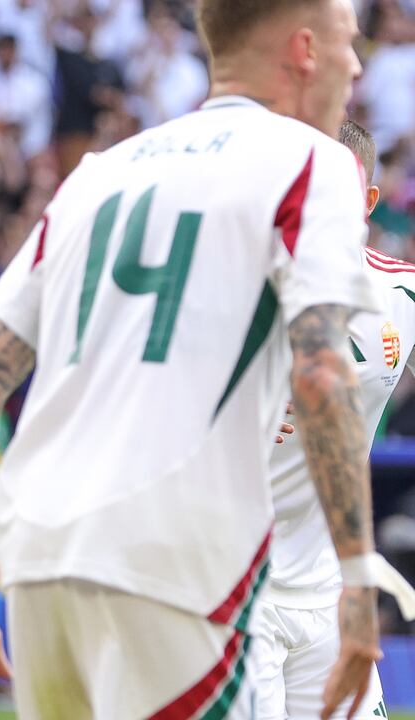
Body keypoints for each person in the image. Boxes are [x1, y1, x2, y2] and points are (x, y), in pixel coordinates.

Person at [0, 1, 386, 718]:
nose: (355, 67)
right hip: (173, 565)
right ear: (304, 49)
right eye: (349, 45)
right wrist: (356, 579)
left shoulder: (101, 172)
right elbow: (321, 374)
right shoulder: (312, 163)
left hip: (40, 563)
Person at [250, 121, 415, 720]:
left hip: (329, 595)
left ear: (369, 200)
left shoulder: (401, 297)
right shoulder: (239, 293)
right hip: (238, 597)